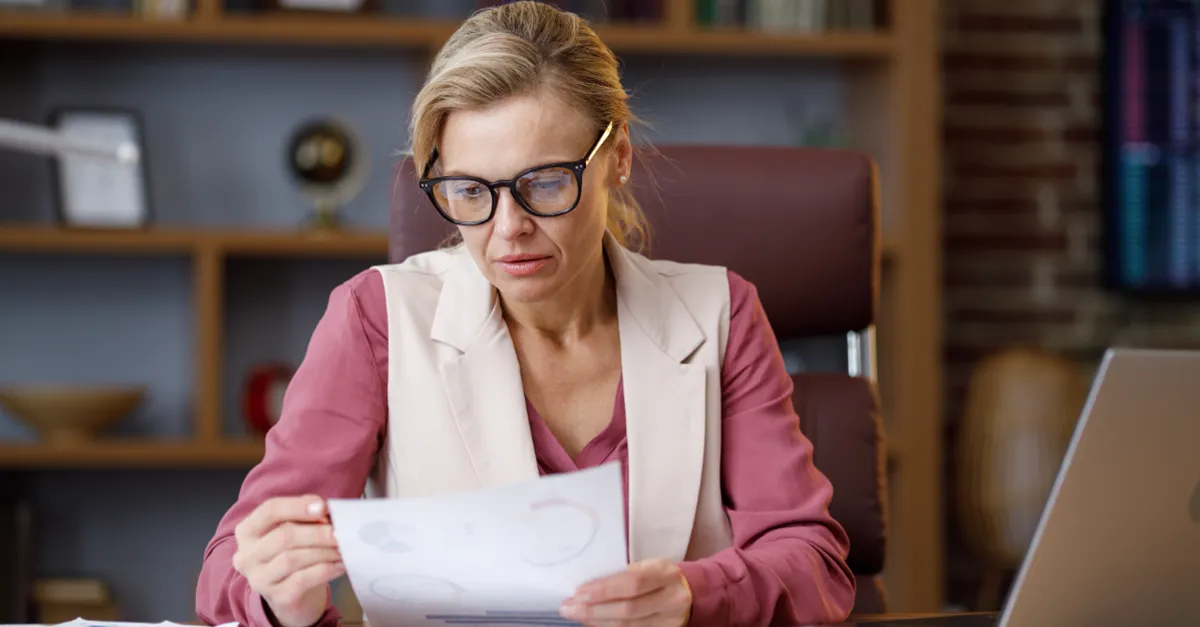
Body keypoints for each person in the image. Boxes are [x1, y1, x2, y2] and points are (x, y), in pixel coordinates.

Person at [195, 2, 856, 626]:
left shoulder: (721, 314)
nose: (507, 227)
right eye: (469, 190)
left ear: (617, 157)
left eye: (544, 183)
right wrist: (281, 597)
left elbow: (815, 564)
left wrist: (694, 594)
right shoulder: (375, 318)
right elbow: (230, 568)